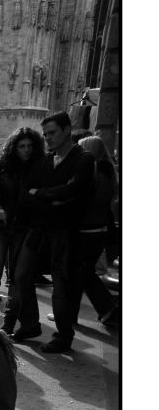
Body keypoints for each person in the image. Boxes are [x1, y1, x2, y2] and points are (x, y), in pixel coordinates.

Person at [12, 112, 96, 353]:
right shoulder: (45, 161)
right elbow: (25, 195)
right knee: (21, 276)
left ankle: (63, 335)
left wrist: (41, 194)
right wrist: (50, 198)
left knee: (62, 285)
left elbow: (74, 193)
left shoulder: (83, 159)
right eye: (46, 134)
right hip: (39, 229)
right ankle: (30, 324)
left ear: (67, 130)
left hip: (64, 232)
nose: (48, 138)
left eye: (53, 133)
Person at [0, 126, 45, 334]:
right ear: (14, 147)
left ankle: (8, 324)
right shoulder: (2, 165)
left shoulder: (38, 167)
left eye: (30, 146)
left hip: (21, 228)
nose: (26, 150)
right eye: (22, 146)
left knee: (15, 278)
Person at [73, 136, 119, 326]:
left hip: (87, 230)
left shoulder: (94, 174)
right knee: (82, 273)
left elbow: (83, 202)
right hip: (99, 229)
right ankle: (70, 314)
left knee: (83, 273)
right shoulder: (109, 173)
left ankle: (108, 308)